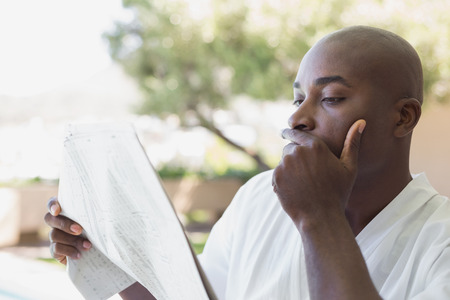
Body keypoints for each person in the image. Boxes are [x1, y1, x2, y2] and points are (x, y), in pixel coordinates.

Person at [44, 25, 450, 299]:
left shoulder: (440, 240)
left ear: (403, 117)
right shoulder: (260, 197)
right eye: (297, 98)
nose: (297, 118)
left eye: (331, 99)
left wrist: (319, 215)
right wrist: (107, 249)